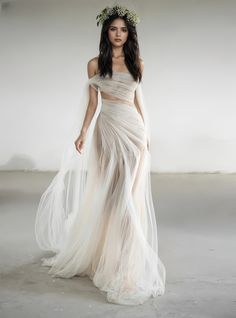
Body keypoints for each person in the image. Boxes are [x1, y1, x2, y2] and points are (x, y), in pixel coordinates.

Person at [35, 5, 166, 306]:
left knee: (128, 197)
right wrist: (83, 132)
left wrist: (146, 133)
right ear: (105, 32)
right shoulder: (94, 64)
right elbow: (93, 104)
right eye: (113, 29)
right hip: (106, 133)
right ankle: (108, 257)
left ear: (129, 34)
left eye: (123, 29)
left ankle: (129, 267)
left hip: (132, 132)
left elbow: (137, 100)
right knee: (110, 197)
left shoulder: (138, 64)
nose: (118, 34)